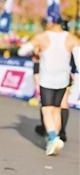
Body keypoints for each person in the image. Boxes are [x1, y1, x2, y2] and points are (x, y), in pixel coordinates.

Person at [27, 15, 80, 156]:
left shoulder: (55, 39)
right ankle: (60, 133)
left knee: (49, 107)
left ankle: (53, 134)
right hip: (67, 76)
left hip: (57, 76)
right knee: (60, 106)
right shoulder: (71, 39)